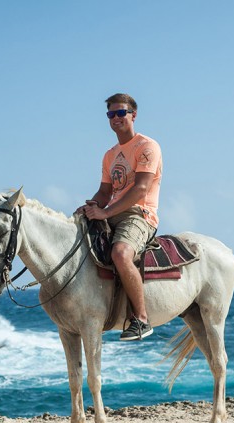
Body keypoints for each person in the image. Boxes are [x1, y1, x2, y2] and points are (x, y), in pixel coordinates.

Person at [77, 93, 162, 341]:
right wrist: (91, 206)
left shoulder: (147, 146)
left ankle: (142, 319)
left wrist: (104, 212)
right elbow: (105, 192)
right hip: (112, 211)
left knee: (121, 253)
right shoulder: (109, 155)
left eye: (120, 113)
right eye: (111, 114)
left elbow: (140, 189)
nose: (116, 118)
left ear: (133, 115)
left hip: (139, 214)